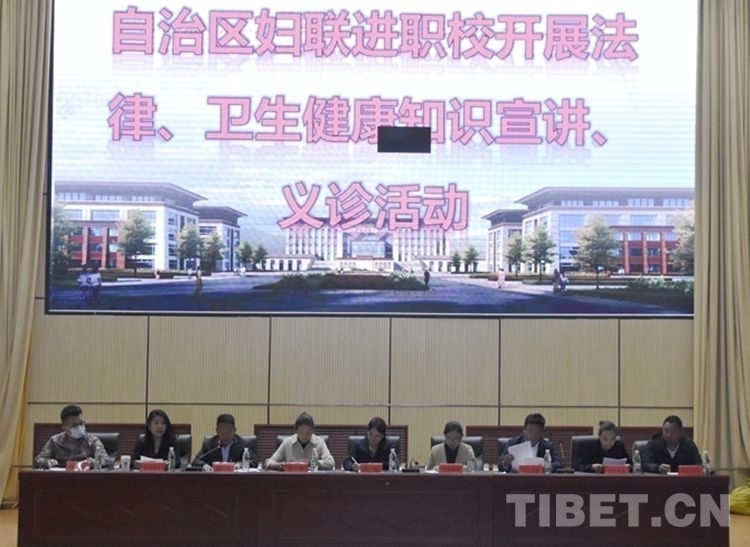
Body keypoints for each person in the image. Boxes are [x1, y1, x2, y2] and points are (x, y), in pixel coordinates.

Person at [34, 405, 110, 469]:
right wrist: (46, 462)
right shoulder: (55, 441)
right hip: (61, 479)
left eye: (81, 423)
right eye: (75, 425)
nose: (80, 427)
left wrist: (94, 462)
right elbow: (38, 460)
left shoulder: (91, 440)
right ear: (65, 428)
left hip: (86, 479)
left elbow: (107, 461)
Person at [264, 412, 334, 470]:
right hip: (291, 479)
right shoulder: (287, 442)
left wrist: (310, 463)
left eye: (308, 432)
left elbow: (331, 462)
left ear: (313, 431)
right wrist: (281, 465)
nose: (305, 435)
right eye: (301, 432)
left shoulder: (319, 442)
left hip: (313, 479)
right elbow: (268, 462)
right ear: (296, 431)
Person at [498, 413, 562, 472]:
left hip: (540, 479)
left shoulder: (548, 446)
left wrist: (546, 466)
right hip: (517, 479)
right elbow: (500, 466)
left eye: (537, 432)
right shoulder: (513, 443)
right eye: (530, 431)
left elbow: (558, 464)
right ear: (524, 430)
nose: (533, 434)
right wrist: (505, 463)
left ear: (542, 432)